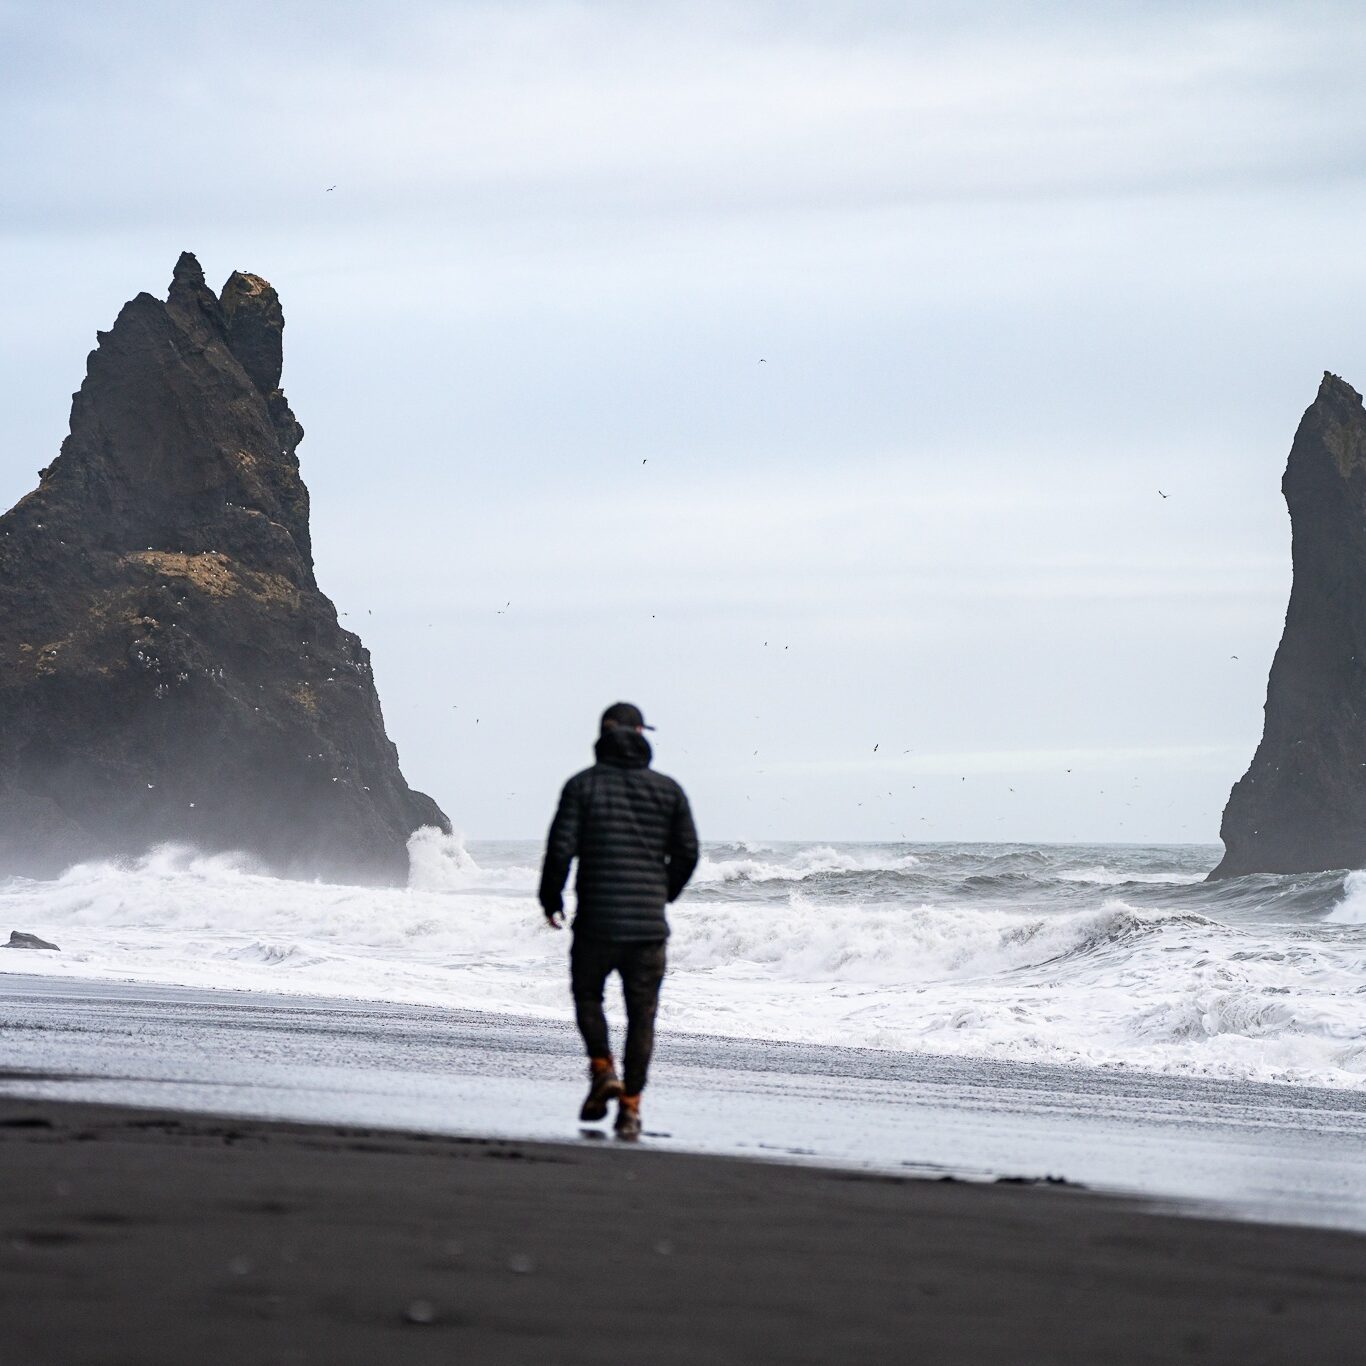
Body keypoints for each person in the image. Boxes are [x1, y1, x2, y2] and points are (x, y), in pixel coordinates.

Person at [539, 702, 699, 1139]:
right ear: (640, 733)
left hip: (595, 923)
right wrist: (661, 893)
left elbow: (560, 849)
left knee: (588, 995)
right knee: (642, 1017)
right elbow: (688, 853)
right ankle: (630, 1108)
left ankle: (602, 1069)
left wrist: (550, 897)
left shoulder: (581, 786)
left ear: (603, 734)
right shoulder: (668, 790)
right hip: (648, 930)